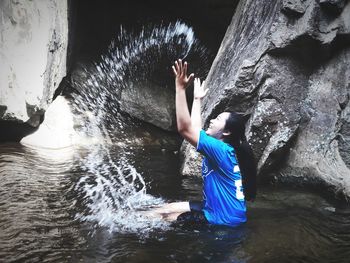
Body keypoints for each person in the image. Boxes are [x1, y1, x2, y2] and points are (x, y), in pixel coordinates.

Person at [146, 59, 257, 227]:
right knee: (164, 208)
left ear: (226, 132)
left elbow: (185, 129)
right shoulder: (221, 147)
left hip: (223, 221)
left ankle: (118, 224)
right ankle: (122, 217)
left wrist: (180, 88)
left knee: (163, 219)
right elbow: (195, 130)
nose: (212, 120)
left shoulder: (220, 149)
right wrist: (197, 99)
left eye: (218, 119)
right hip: (215, 209)